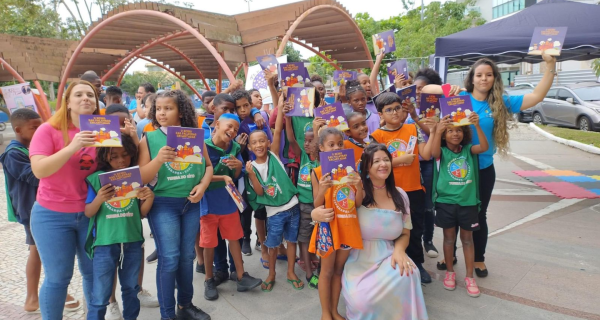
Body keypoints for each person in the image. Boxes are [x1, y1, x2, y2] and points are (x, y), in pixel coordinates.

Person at [422, 53, 556, 276]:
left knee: (477, 215)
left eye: (489, 75)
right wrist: (448, 88)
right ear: (471, 79)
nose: (484, 79)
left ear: (494, 78)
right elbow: (425, 90)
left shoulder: (500, 102)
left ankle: (478, 258)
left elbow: (536, 95)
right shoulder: (461, 96)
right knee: (451, 213)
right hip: (452, 168)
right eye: (479, 75)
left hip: (482, 168)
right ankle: (451, 256)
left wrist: (550, 65)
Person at [313, 143, 429, 320]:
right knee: (363, 301)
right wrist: (315, 213)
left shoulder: (400, 195)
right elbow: (329, 208)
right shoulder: (354, 191)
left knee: (410, 273)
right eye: (376, 161)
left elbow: (406, 232)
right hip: (358, 259)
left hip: (388, 256)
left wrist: (399, 251)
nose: (383, 164)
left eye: (386, 160)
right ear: (366, 166)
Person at [138, 89, 213, 320]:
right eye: (158, 108)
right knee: (169, 258)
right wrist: (159, 159)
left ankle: (185, 305)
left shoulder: (194, 135)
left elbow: (208, 167)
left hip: (190, 203)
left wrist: (202, 187)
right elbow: (140, 177)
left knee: (185, 258)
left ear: (181, 111)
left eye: (168, 108)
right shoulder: (149, 139)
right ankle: (167, 314)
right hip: (163, 204)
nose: (162, 113)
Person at [29, 80, 99, 319]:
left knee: (93, 273)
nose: (85, 98)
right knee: (58, 277)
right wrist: (73, 146)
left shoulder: (104, 132)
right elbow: (39, 170)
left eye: (90, 94)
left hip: (91, 213)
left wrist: (129, 140)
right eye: (78, 94)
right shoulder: (48, 130)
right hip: (52, 215)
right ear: (68, 102)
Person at [0, 109, 82, 314]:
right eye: (33, 127)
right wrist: (60, 159)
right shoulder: (13, 154)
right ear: (18, 130)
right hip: (32, 209)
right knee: (37, 252)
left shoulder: (33, 148)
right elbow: (35, 175)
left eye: (39, 126)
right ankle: (33, 297)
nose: (38, 131)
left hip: (42, 205)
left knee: (39, 253)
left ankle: (45, 294)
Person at [84, 135, 155, 320]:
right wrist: (99, 198)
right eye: (114, 156)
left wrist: (149, 197)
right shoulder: (95, 180)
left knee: (131, 289)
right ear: (104, 156)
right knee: (100, 296)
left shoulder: (136, 177)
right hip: (104, 244)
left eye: (125, 155)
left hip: (132, 241)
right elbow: (88, 212)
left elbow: (141, 213)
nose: (121, 160)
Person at [422, 112, 488, 297]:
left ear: (464, 133)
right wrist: (437, 130)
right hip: (446, 203)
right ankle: (450, 273)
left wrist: (477, 125)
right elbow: (433, 153)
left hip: (468, 203)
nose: (455, 134)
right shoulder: (441, 152)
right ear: (444, 134)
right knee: (449, 239)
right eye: (450, 131)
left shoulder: (468, 150)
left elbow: (484, 146)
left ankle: (469, 277)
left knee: (468, 240)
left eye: (459, 131)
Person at [370, 92, 433, 284]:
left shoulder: (412, 129)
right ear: (381, 114)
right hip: (389, 191)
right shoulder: (377, 136)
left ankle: (417, 264)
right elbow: (373, 163)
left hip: (414, 189)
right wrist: (398, 161)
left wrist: (435, 131)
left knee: (415, 230)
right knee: (391, 230)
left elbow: (427, 154)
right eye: (389, 110)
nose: (394, 113)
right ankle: (390, 263)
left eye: (397, 108)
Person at [103, 104, 158, 317]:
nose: (120, 128)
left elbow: (143, 164)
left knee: (136, 248)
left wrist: (133, 137)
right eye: (114, 124)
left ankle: (137, 289)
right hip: (108, 218)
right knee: (110, 258)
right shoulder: (103, 149)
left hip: (132, 215)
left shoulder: (133, 146)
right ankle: (111, 301)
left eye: (124, 122)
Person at [201, 113, 262, 301]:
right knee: (209, 243)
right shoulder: (202, 145)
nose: (233, 131)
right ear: (217, 124)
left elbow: (236, 175)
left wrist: (236, 167)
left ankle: (242, 276)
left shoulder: (235, 147)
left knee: (235, 238)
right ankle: (209, 279)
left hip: (228, 202)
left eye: (236, 129)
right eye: (229, 126)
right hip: (209, 204)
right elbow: (198, 175)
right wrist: (223, 177)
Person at [245, 105, 303, 292]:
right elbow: (260, 193)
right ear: (249, 147)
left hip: (292, 206)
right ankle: (271, 274)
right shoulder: (251, 167)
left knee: (292, 241)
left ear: (268, 143)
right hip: (274, 213)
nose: (259, 145)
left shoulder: (275, 155)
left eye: (263, 141)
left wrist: (282, 107)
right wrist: (252, 175)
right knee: (272, 245)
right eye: (255, 143)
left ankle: (291, 272)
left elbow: (278, 130)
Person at [309, 127, 363, 320]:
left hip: (347, 225)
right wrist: (323, 189)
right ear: (321, 148)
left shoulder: (351, 170)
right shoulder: (316, 172)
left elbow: (357, 202)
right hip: (327, 227)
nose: (336, 148)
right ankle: (325, 313)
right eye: (331, 145)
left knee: (339, 270)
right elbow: (316, 204)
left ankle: (334, 310)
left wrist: (358, 185)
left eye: (339, 144)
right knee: (326, 270)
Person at [231, 89, 273, 256]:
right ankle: (246, 238)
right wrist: (240, 147)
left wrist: (256, 113)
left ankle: (260, 239)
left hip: (264, 168)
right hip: (245, 171)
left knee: (263, 207)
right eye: (238, 107)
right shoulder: (234, 123)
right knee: (246, 207)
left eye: (246, 106)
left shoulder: (259, 120)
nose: (242, 110)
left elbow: (269, 141)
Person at [284, 103, 320, 289]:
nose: (306, 143)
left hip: (321, 208)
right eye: (305, 140)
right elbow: (291, 138)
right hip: (304, 206)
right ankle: (308, 273)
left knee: (322, 239)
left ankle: (322, 268)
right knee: (303, 239)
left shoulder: (324, 160)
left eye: (311, 140)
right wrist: (288, 117)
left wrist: (316, 129)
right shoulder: (302, 157)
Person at [412, 68, 444, 258]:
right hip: (408, 163)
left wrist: (416, 118)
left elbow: (434, 131)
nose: (418, 93)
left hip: (427, 162)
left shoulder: (434, 108)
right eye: (415, 89)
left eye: (422, 89)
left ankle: (428, 240)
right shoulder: (405, 106)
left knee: (428, 204)